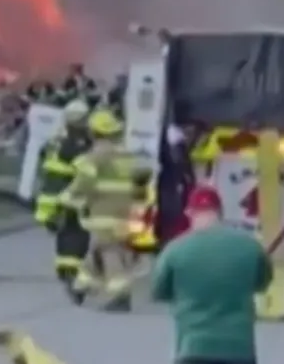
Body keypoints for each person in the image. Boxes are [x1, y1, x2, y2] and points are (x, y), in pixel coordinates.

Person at [150, 186, 270, 364]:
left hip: (193, 348)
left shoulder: (175, 250)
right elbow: (262, 283)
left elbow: (158, 291)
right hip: (239, 350)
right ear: (220, 212)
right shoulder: (250, 247)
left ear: (190, 213)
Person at [60, 108, 140, 311]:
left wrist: (68, 196)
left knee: (109, 251)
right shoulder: (127, 155)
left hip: (104, 211)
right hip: (127, 211)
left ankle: (120, 295)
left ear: (93, 132)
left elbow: (84, 181)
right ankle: (81, 286)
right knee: (100, 249)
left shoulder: (96, 156)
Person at [35, 99, 92, 286]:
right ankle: (72, 269)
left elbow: (42, 156)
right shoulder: (77, 143)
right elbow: (86, 169)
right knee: (77, 232)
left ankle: (64, 268)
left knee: (64, 232)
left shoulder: (55, 140)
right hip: (70, 194)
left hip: (51, 194)